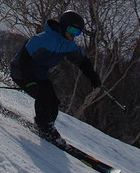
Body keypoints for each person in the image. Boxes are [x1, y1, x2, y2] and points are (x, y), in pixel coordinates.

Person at [10, 10, 101, 141]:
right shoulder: (43, 39)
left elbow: (82, 62)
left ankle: (46, 125)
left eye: (77, 33)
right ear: (64, 26)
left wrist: (94, 77)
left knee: (54, 103)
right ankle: (45, 127)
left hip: (40, 74)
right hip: (21, 72)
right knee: (43, 96)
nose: (72, 35)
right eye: (71, 30)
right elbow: (23, 59)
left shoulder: (68, 44)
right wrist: (29, 81)